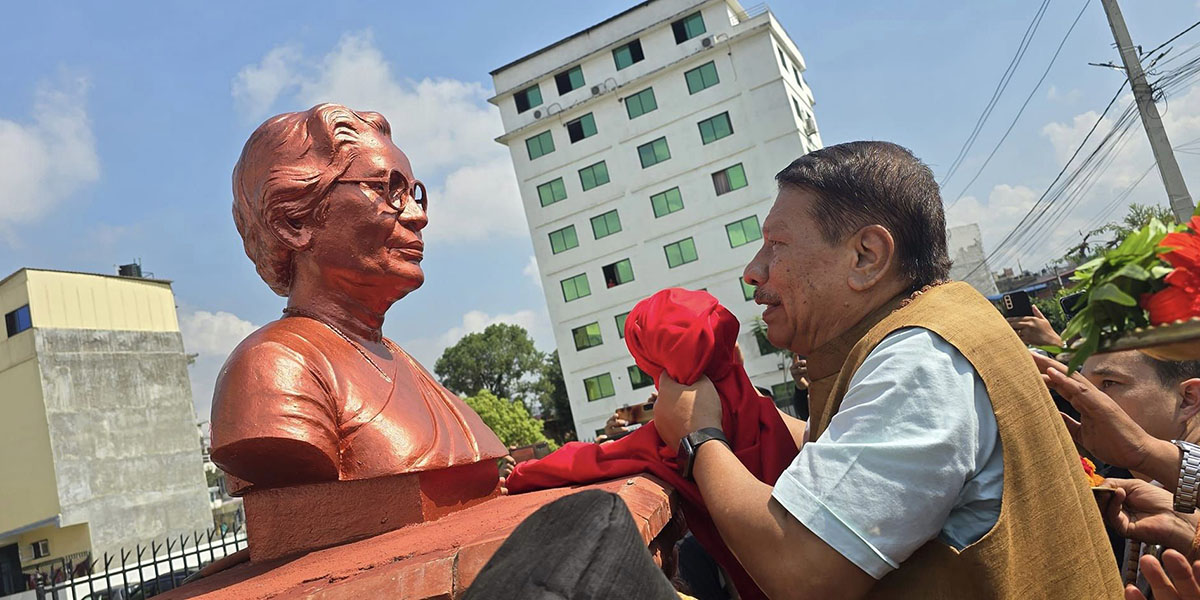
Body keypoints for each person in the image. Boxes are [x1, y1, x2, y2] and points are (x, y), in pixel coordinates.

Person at [650, 141, 1122, 598]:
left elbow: (803, 570)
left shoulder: (920, 361)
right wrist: (744, 413)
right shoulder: (942, 325)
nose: (754, 270)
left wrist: (700, 439)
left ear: (866, 257)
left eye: (777, 244)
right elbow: (858, 448)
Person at [210, 104, 507, 491]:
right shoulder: (274, 368)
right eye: (389, 189)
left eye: (415, 193)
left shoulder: (393, 357)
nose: (417, 215)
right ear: (293, 222)